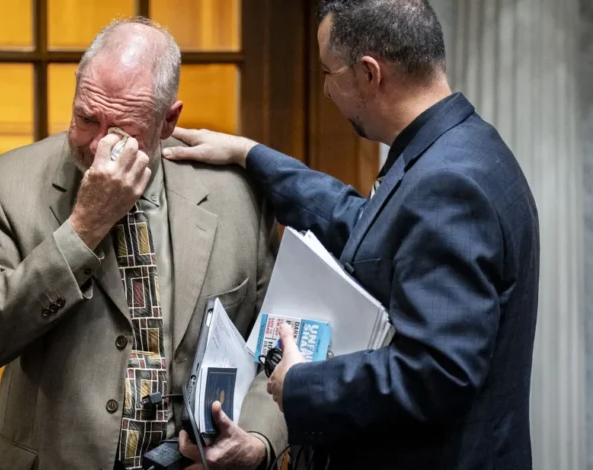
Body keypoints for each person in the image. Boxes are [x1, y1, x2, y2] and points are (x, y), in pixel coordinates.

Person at [163, 1, 540, 469]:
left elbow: (437, 372)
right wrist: (250, 154)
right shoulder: (461, 146)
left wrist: (301, 383)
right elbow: (365, 225)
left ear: (368, 73)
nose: (325, 89)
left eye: (328, 72)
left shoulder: (448, 184)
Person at [0, 17, 286, 470]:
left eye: (122, 129)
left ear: (167, 121)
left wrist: (259, 440)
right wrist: (82, 228)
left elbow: (279, 338)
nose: (97, 145)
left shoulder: (236, 195)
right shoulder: (6, 186)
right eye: (86, 118)